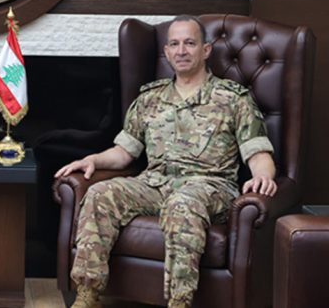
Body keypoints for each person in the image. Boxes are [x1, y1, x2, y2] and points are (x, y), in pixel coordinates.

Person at [54, 15, 278, 308]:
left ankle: (179, 302)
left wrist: (263, 175)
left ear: (206, 50)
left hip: (208, 186)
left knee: (182, 204)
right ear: (167, 52)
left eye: (189, 43)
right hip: (155, 183)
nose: (181, 50)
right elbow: (124, 152)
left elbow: (258, 153)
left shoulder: (232, 99)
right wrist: (92, 159)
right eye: (174, 44)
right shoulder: (150, 98)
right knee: (99, 194)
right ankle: (87, 294)